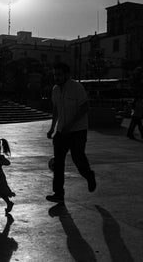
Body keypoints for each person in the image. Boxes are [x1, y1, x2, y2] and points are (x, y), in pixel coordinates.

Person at [46, 62, 96, 203]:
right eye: (55, 75)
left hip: (77, 131)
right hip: (62, 131)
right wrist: (52, 128)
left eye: (59, 74)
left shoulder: (77, 88)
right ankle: (58, 194)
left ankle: (89, 175)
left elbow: (84, 107)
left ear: (67, 75)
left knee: (78, 158)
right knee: (58, 162)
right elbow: (56, 110)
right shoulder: (55, 90)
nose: (57, 77)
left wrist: (71, 124)